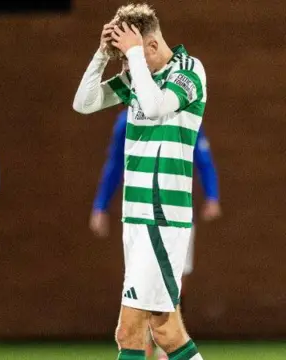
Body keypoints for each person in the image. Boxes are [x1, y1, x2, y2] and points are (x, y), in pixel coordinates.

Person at [73, 3, 209, 359]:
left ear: (151, 45)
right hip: (136, 218)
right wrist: (102, 55)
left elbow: (153, 106)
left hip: (162, 217)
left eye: (133, 54)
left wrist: (132, 55)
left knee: (128, 331)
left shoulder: (189, 71)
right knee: (166, 330)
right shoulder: (138, 76)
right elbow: (83, 103)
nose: (128, 64)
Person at [90, 109, 222, 359]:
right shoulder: (126, 120)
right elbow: (115, 164)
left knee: (161, 325)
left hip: (167, 222)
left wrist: (212, 195)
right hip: (140, 224)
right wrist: (100, 205)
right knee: (140, 330)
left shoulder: (181, 114)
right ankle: (150, 343)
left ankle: (154, 344)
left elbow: (203, 158)